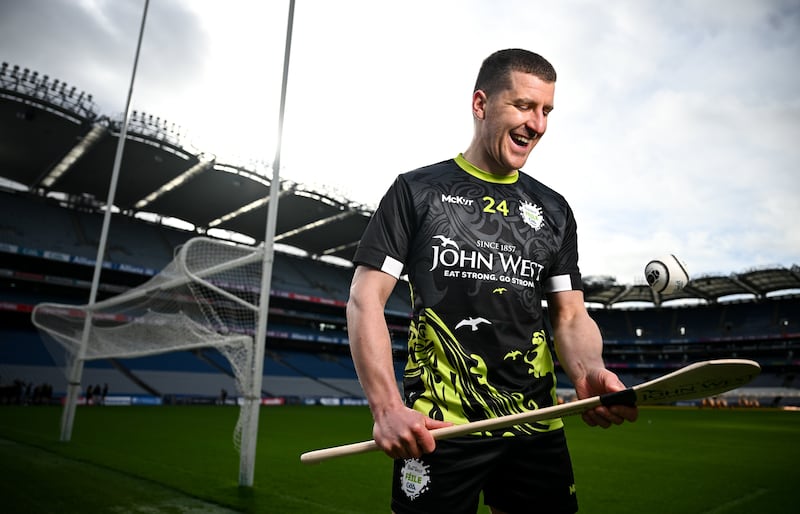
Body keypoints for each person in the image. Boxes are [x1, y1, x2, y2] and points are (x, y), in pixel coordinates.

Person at [347, 48, 638, 514]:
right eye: (524, 106)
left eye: (546, 111)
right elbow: (365, 299)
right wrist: (386, 407)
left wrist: (587, 372)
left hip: (536, 428)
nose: (538, 124)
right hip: (440, 431)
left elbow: (570, 313)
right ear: (480, 104)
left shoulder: (554, 210)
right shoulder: (417, 191)